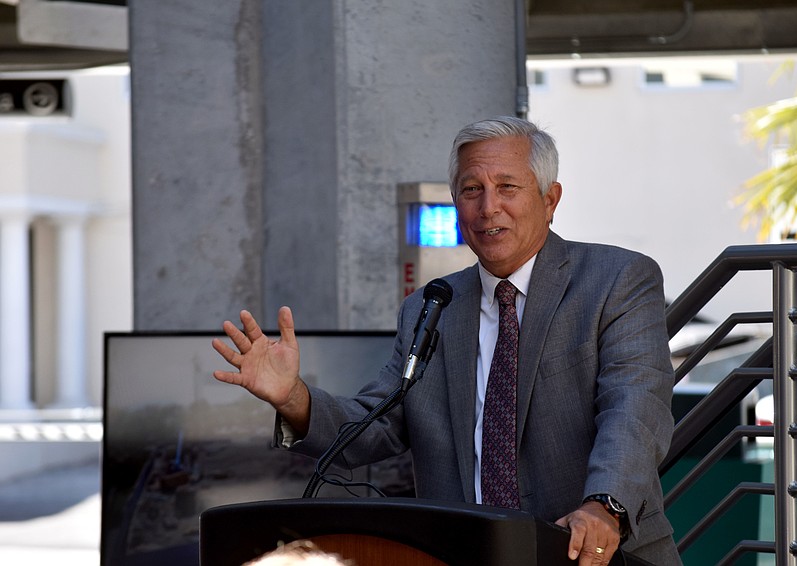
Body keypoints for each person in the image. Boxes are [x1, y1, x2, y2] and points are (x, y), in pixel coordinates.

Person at [213, 116, 682, 566]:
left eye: (507, 187)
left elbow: (634, 407)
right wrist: (292, 396)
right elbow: (376, 424)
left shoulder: (616, 279)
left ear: (550, 198)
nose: (488, 207)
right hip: (461, 555)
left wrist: (605, 504)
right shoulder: (430, 306)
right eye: (471, 190)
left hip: (590, 555)